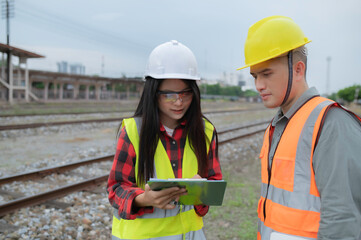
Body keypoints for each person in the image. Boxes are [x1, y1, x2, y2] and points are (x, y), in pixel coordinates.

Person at [237, 16, 361, 240]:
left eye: (267, 74)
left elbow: (342, 220)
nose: (258, 85)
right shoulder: (278, 125)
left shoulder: (331, 123)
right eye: (255, 76)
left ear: (298, 69)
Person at [107, 40, 222, 240]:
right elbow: (116, 188)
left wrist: (202, 191)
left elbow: (213, 185)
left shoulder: (205, 131)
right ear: (153, 94)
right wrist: (144, 199)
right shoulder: (133, 131)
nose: (179, 102)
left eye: (185, 94)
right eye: (169, 95)